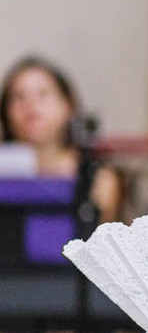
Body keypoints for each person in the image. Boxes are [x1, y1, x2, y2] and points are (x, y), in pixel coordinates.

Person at [0, 56, 121, 222]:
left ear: (68, 105)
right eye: (18, 97)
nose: (30, 105)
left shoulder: (97, 180)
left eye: (43, 94)